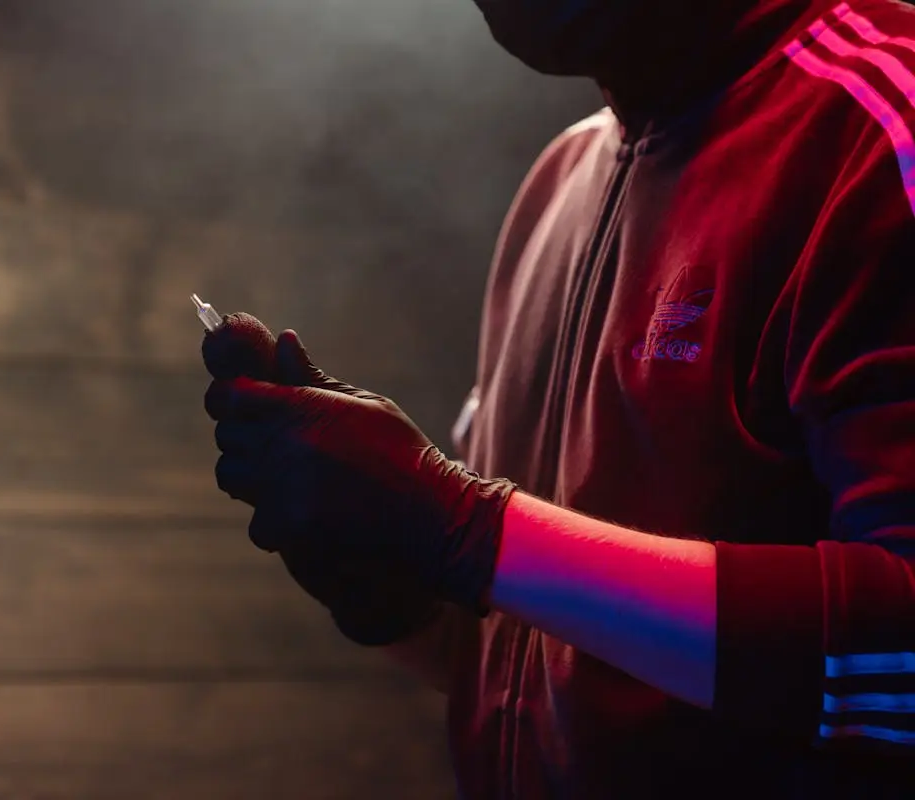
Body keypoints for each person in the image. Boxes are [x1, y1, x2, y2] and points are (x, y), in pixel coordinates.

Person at [200, 0, 915, 796]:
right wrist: (385, 589)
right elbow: (529, 661)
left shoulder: (880, 130)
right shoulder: (559, 181)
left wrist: (468, 527)